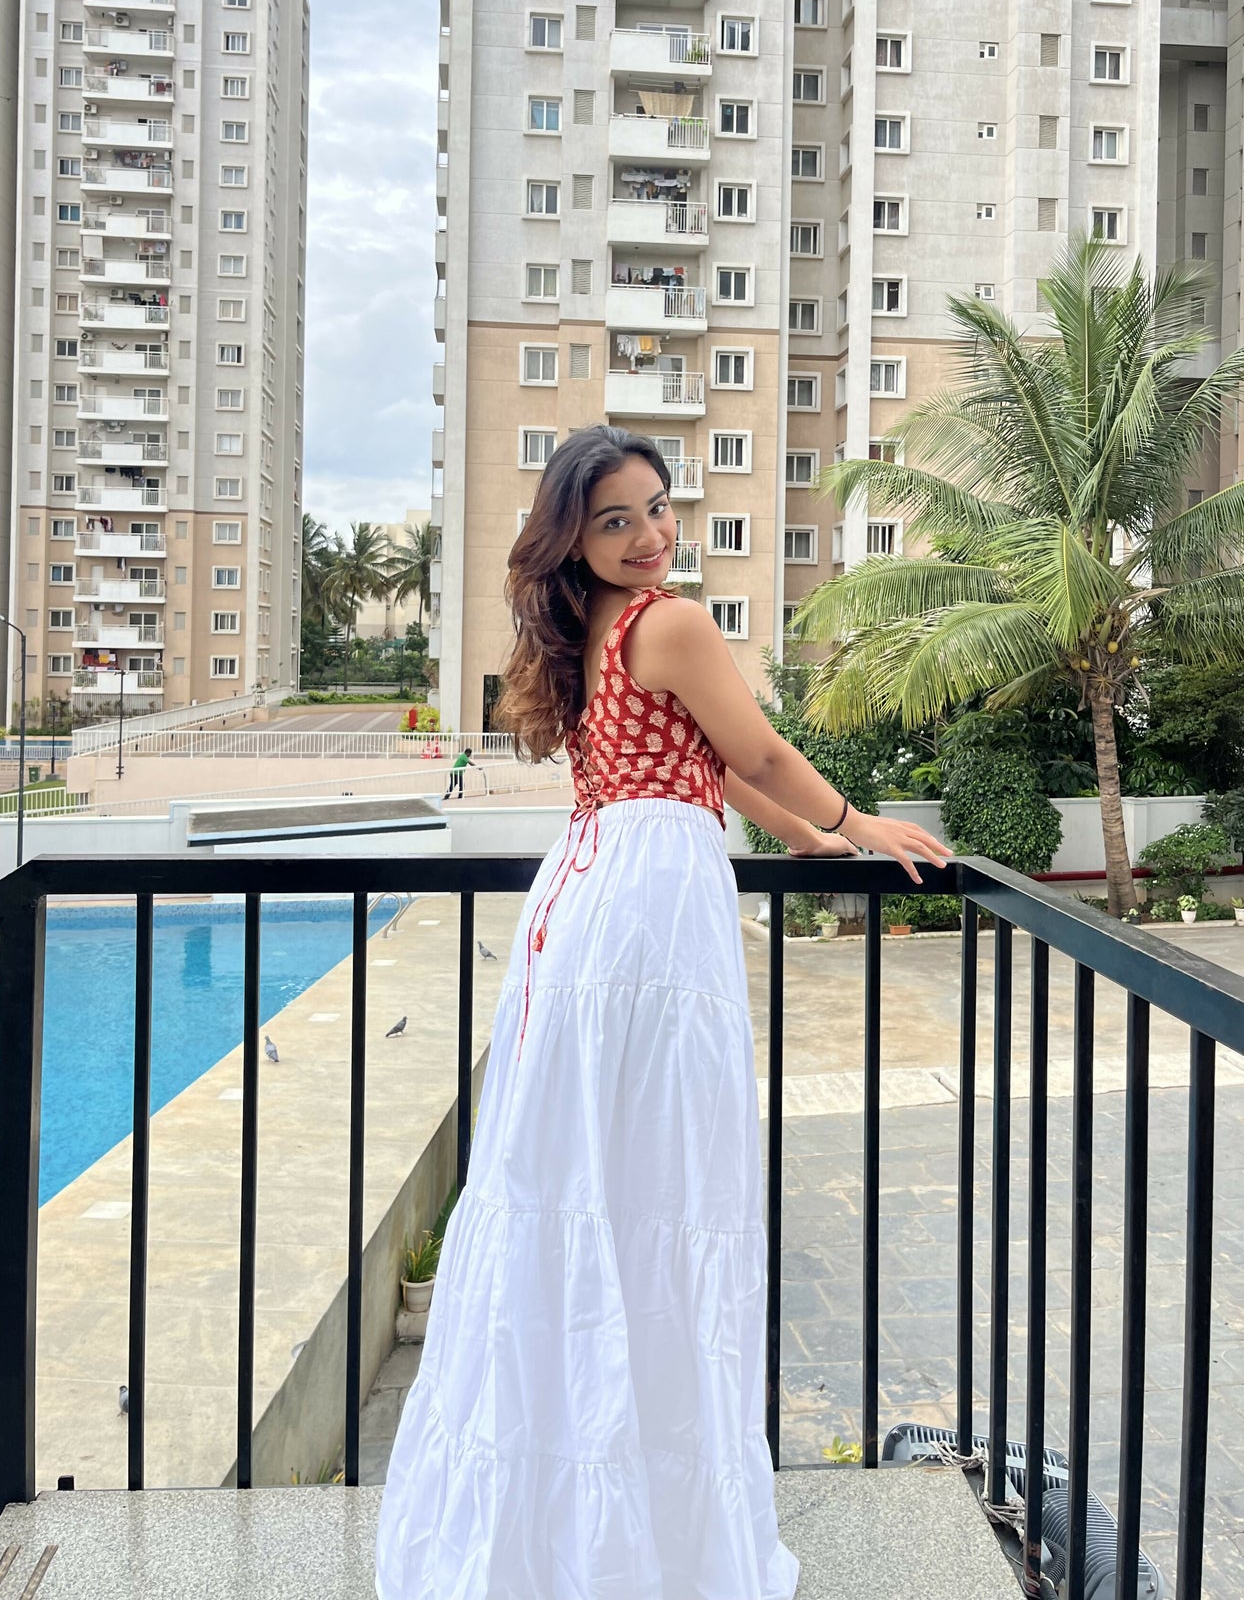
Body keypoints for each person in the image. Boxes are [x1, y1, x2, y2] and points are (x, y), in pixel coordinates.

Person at [375, 425, 948, 1600]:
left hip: (586, 900)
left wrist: (818, 841)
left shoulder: (590, 634)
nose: (650, 536)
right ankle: (641, 1520)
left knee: (588, 1181)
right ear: (573, 540)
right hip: (644, 909)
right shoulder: (670, 622)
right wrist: (863, 820)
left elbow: (710, 767)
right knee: (655, 1183)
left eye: (655, 508)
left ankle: (570, 1516)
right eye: (616, 520)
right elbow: (762, 748)